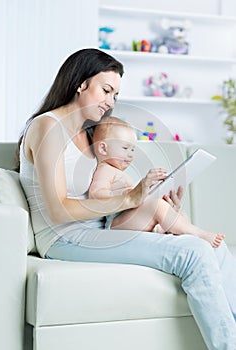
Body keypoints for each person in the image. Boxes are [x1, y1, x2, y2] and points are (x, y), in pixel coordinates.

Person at [17, 48, 236, 350]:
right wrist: (132, 198)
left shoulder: (90, 133)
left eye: (115, 95)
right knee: (192, 253)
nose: (110, 102)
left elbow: (105, 193)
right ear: (81, 83)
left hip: (102, 227)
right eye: (106, 90)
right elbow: (56, 210)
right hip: (63, 237)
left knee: (216, 247)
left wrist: (153, 207)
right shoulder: (47, 127)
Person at [89, 116, 225, 248]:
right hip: (116, 224)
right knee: (157, 206)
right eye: (125, 148)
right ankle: (198, 233)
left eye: (133, 149)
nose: (131, 155)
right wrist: (129, 194)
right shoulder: (105, 169)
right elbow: (95, 195)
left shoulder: (118, 172)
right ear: (103, 148)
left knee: (179, 215)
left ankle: (166, 230)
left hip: (129, 219)